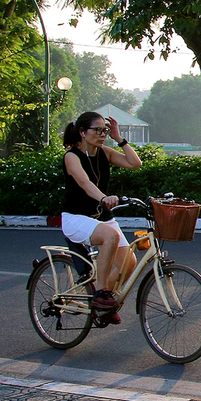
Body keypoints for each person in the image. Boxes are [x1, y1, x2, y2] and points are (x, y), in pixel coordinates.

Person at [61, 111, 143, 324]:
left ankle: (102, 304)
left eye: (105, 130)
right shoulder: (72, 156)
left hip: (102, 218)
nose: (102, 134)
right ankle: (101, 293)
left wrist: (119, 138)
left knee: (129, 262)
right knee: (110, 236)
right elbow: (85, 183)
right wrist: (104, 197)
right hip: (76, 218)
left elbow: (135, 164)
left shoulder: (105, 153)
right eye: (97, 130)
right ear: (82, 132)